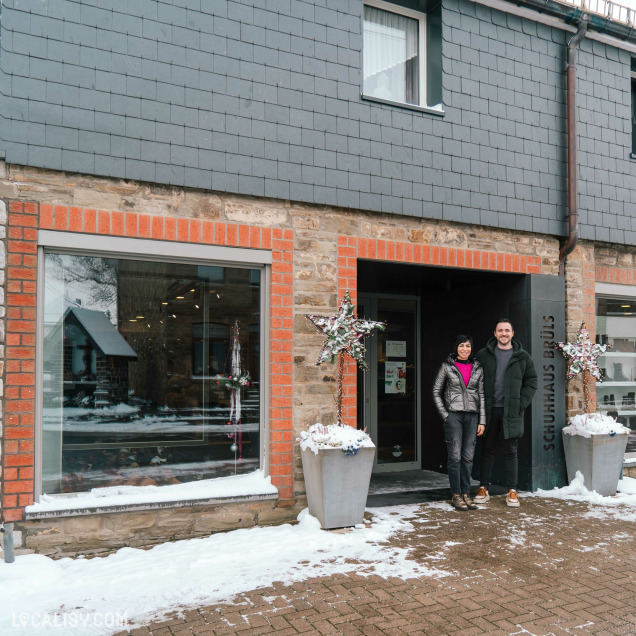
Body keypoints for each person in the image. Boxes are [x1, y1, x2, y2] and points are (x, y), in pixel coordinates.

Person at [474, 318, 538, 507]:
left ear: (512, 333)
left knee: (511, 450)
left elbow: (532, 381)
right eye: (500, 330)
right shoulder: (483, 355)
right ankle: (483, 487)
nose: (503, 333)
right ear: (495, 334)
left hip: (512, 411)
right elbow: (474, 380)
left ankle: (512, 491)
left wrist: (521, 403)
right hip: (488, 410)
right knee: (487, 449)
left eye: (507, 330)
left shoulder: (522, 356)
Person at [432, 335, 486, 511]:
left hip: (472, 417)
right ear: (456, 348)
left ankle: (465, 493)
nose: (465, 349)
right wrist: (445, 415)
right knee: (455, 457)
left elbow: (482, 395)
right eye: (461, 346)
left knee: (468, 458)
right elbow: (436, 391)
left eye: (468, 346)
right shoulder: (447, 366)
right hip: (453, 416)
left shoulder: (477, 367)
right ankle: (456, 494)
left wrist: (482, 420)